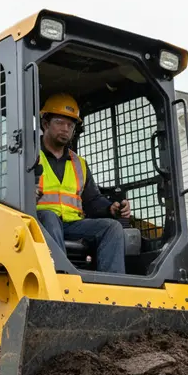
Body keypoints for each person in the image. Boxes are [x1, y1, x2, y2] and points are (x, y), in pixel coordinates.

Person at [35, 93, 130, 274]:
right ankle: (61, 276)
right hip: (38, 224)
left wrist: (110, 208)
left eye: (70, 125)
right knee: (49, 217)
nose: (65, 129)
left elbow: (92, 200)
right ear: (45, 124)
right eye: (59, 123)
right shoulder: (28, 156)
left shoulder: (79, 164)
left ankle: (111, 286)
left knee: (112, 228)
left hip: (72, 225)